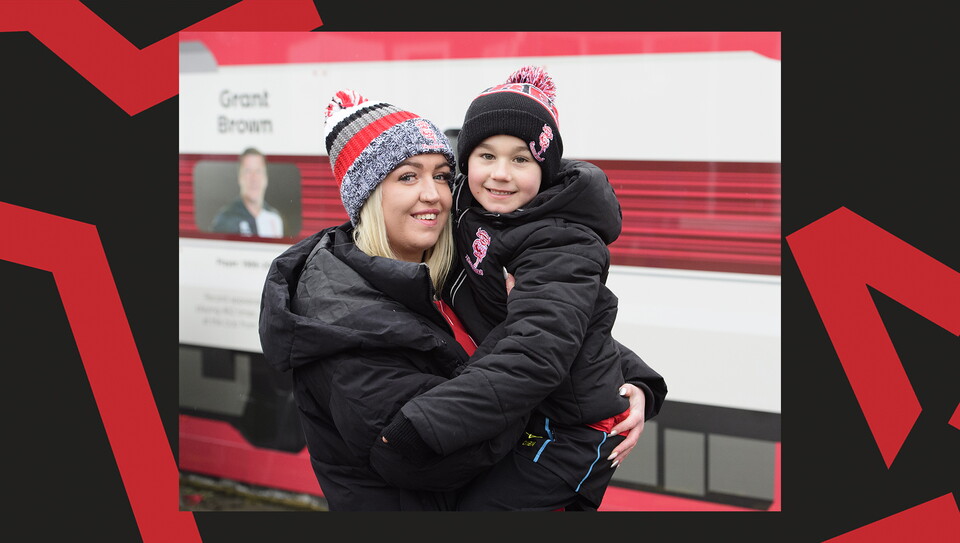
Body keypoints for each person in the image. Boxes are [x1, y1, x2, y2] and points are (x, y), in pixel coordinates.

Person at [259, 89, 656, 511]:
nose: (433, 194)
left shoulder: (439, 270)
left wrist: (635, 385)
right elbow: (426, 460)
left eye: (443, 176)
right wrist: (553, 390)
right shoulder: (341, 313)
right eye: (408, 176)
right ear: (369, 195)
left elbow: (555, 318)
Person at [380, 66, 667, 511]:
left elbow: (540, 348)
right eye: (486, 156)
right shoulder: (471, 210)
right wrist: (644, 380)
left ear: (545, 169)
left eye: (521, 159)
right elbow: (575, 324)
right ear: (465, 162)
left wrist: (426, 424)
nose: (500, 174)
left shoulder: (559, 242)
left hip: (572, 432)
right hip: (535, 412)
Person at [210, 147, 284, 237]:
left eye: (258, 171)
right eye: (248, 171)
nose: (254, 178)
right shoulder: (225, 220)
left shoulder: (274, 218)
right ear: (239, 178)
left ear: (266, 178)